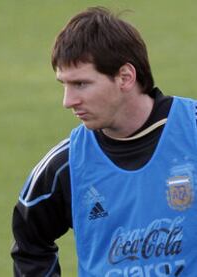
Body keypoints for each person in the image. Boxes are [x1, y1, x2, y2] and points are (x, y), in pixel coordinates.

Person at [11, 6, 197, 276]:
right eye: (63, 84)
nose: (68, 101)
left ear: (125, 77)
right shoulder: (65, 165)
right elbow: (30, 245)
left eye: (81, 84)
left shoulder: (191, 132)